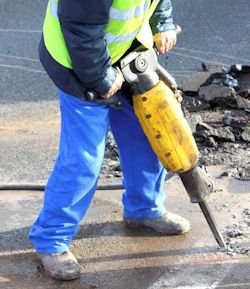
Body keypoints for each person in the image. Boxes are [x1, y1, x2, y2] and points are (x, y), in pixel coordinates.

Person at [29, 0, 190, 281]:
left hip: (123, 53)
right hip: (77, 66)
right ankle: (52, 239)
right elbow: (79, 29)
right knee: (84, 160)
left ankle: (144, 209)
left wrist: (162, 23)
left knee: (146, 136)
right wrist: (101, 77)